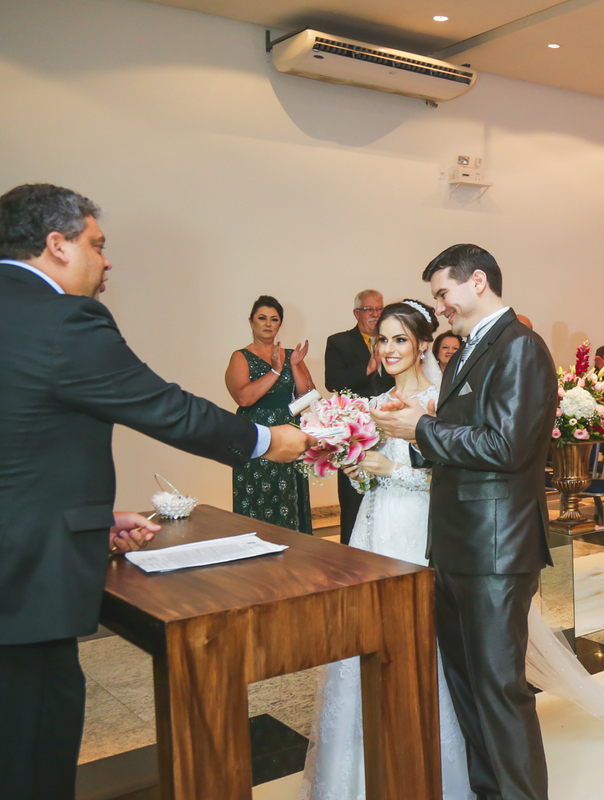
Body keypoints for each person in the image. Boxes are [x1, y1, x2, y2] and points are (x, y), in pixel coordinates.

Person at [0, 184, 312, 800]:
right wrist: (269, 441)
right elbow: (165, 407)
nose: (106, 261)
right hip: (19, 587)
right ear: (57, 244)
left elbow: (2, 452)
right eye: (97, 245)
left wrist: (88, 517)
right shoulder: (65, 318)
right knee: (28, 757)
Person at [372, 244, 558, 800]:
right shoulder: (466, 352)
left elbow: (507, 446)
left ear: (478, 281)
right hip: (456, 546)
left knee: (498, 692)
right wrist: (416, 429)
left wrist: (421, 430)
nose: (439, 307)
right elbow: (464, 440)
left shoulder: (520, 347)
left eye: (442, 293)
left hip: (496, 549)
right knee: (467, 691)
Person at [302, 298, 474, 800]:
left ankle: (427, 774)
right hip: (373, 533)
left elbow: (452, 480)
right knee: (366, 645)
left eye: (401, 339)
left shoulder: (439, 401)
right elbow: (368, 483)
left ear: (423, 345)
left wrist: (391, 469)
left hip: (420, 535)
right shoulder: (373, 403)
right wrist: (356, 468)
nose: (390, 348)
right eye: (383, 339)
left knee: (419, 646)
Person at [225, 296, 316, 533]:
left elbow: (307, 397)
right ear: (251, 321)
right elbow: (244, 398)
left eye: (274, 319)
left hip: (288, 433)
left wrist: (294, 365)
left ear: (279, 324)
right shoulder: (240, 356)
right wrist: (275, 370)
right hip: (255, 434)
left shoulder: (290, 355)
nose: (268, 324)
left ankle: (293, 548)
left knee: (288, 495)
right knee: (256, 493)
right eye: (262, 318)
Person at [324, 289, 395, 544]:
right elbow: (332, 381)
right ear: (356, 313)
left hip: (390, 428)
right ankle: (349, 552)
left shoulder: (392, 340)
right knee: (353, 498)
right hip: (355, 432)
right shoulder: (339, 342)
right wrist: (367, 368)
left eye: (379, 309)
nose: (375, 314)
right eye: (368, 309)